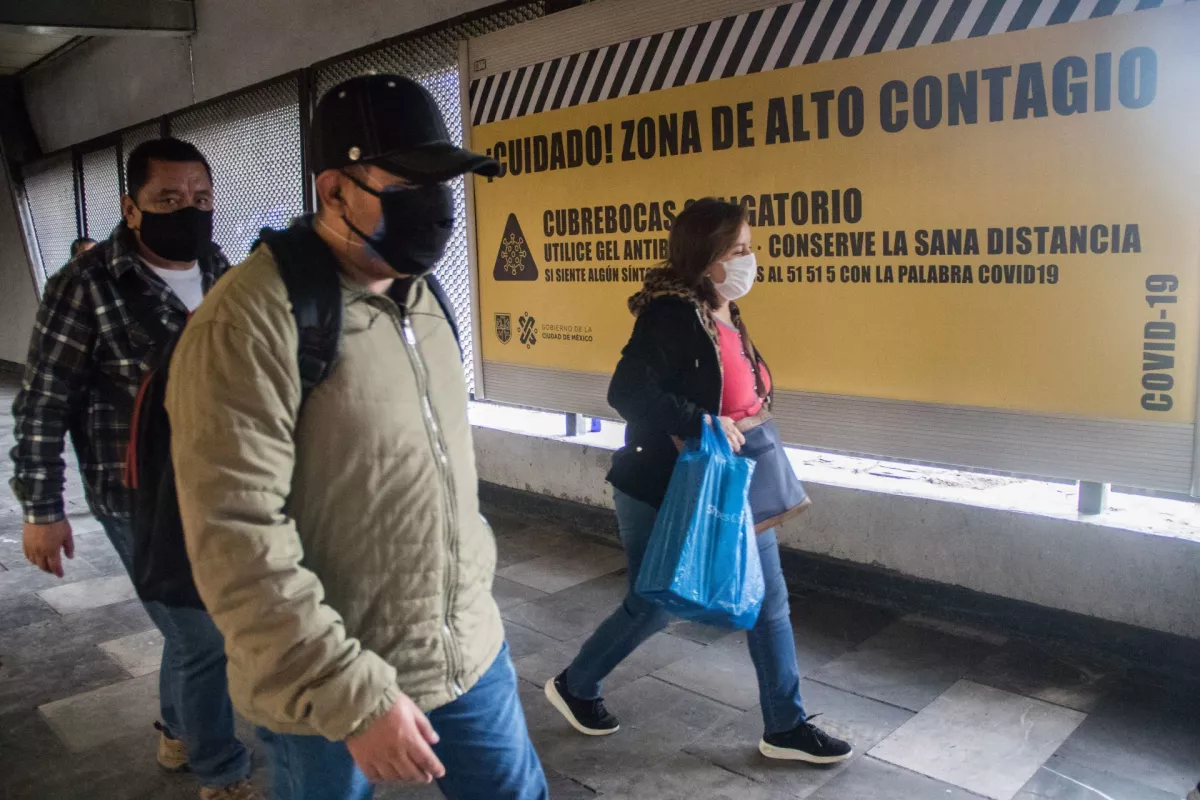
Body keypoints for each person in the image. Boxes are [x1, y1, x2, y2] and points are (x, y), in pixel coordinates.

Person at [164, 74, 549, 800]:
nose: (435, 209)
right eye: (407, 186)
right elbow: (236, 539)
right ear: (334, 189)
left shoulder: (424, 296)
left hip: (467, 648)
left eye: (444, 185)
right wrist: (351, 695)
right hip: (326, 683)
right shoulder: (250, 319)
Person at [544, 198, 854, 765]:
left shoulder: (725, 310)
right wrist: (702, 422)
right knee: (655, 602)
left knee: (769, 602)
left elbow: (738, 388)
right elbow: (628, 393)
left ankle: (785, 725)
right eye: (737, 250)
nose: (749, 260)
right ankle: (576, 684)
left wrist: (743, 418)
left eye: (748, 248)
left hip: (729, 481)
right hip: (663, 485)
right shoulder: (671, 313)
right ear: (705, 256)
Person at [10, 138, 258, 800]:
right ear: (132, 206)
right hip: (137, 497)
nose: (189, 211)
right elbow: (42, 402)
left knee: (200, 625)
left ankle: (179, 727)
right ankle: (220, 770)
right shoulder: (85, 287)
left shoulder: (216, 264)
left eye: (200, 198)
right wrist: (42, 509)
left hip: (217, 482)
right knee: (201, 634)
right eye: (168, 199)